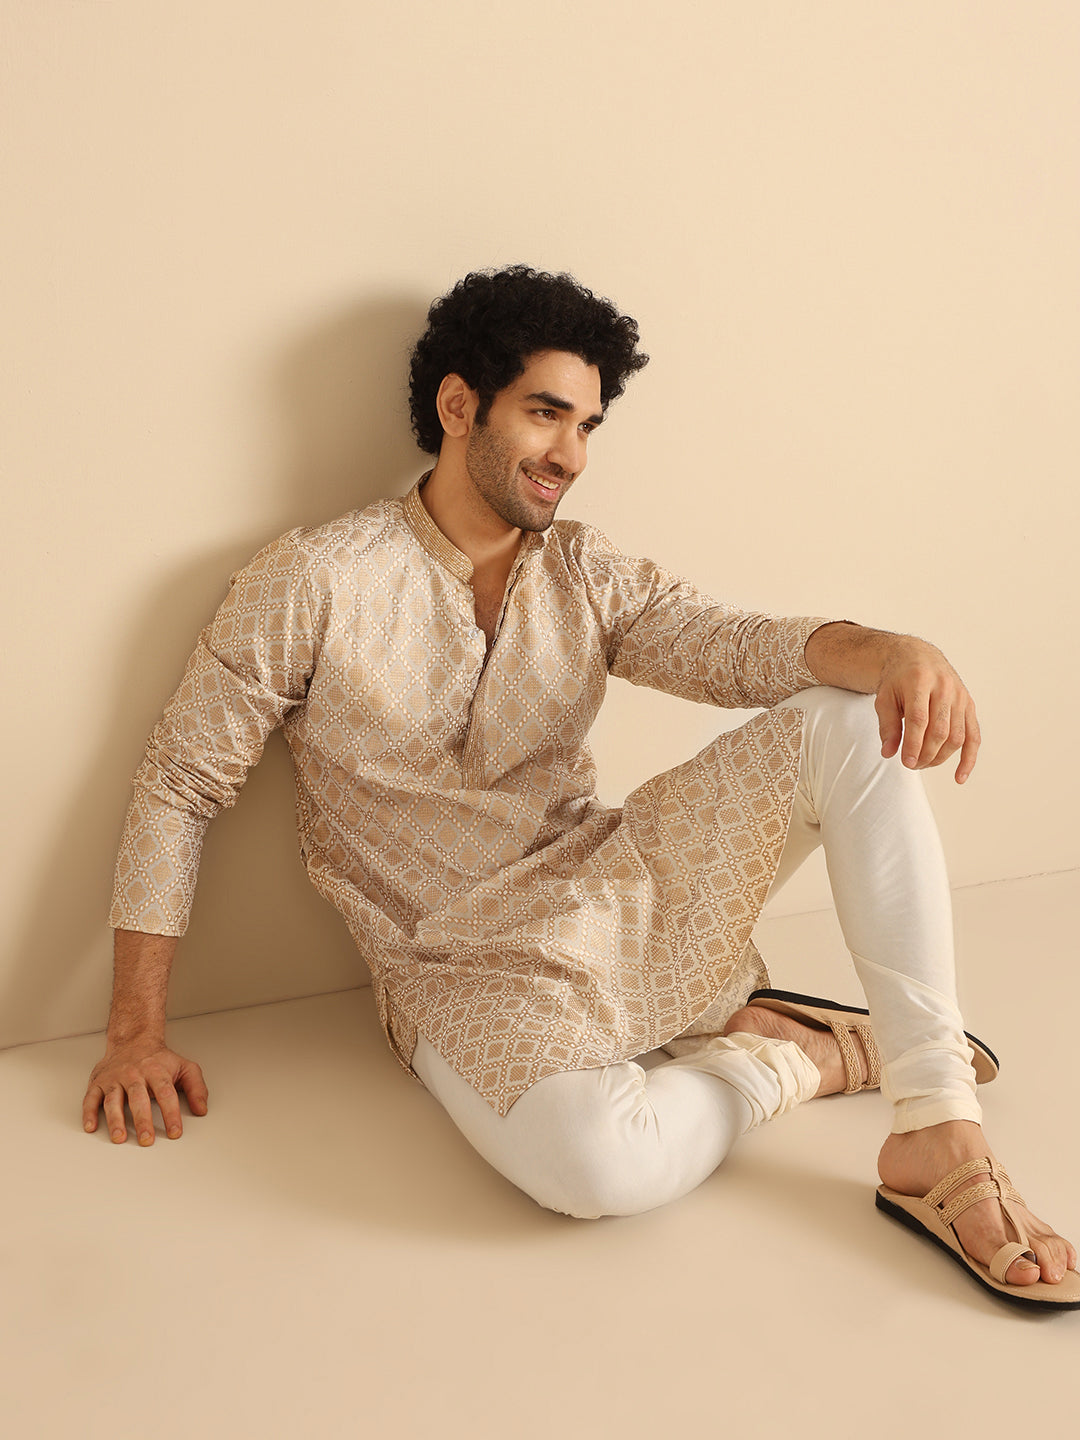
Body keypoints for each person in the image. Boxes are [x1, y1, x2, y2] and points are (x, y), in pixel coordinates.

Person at [84, 265, 1077, 1309]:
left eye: (589, 425)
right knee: (599, 1167)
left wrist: (892, 649)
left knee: (849, 718)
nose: (572, 455)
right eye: (546, 413)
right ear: (458, 405)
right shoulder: (313, 578)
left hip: (608, 885)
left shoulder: (586, 572)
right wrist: (133, 1034)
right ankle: (794, 1060)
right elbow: (179, 785)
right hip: (454, 963)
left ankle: (937, 1124)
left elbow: (728, 646)